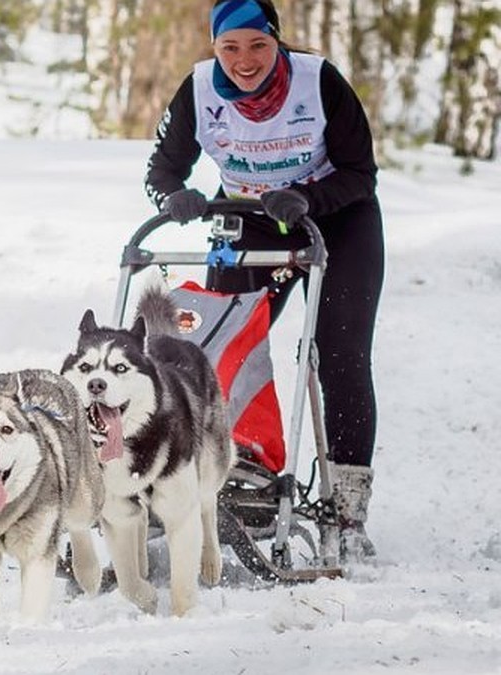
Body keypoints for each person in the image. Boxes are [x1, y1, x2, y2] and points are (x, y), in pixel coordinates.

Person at [143, 0, 385, 563]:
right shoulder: (199, 89)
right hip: (250, 217)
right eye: (230, 47)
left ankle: (347, 512)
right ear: (215, 48)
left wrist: (308, 199)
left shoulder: (318, 81)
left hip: (337, 217)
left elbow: (361, 172)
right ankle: (226, 471)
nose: (244, 61)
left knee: (340, 355)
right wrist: (174, 197)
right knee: (215, 351)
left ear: (277, 42)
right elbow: (160, 170)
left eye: (257, 45)